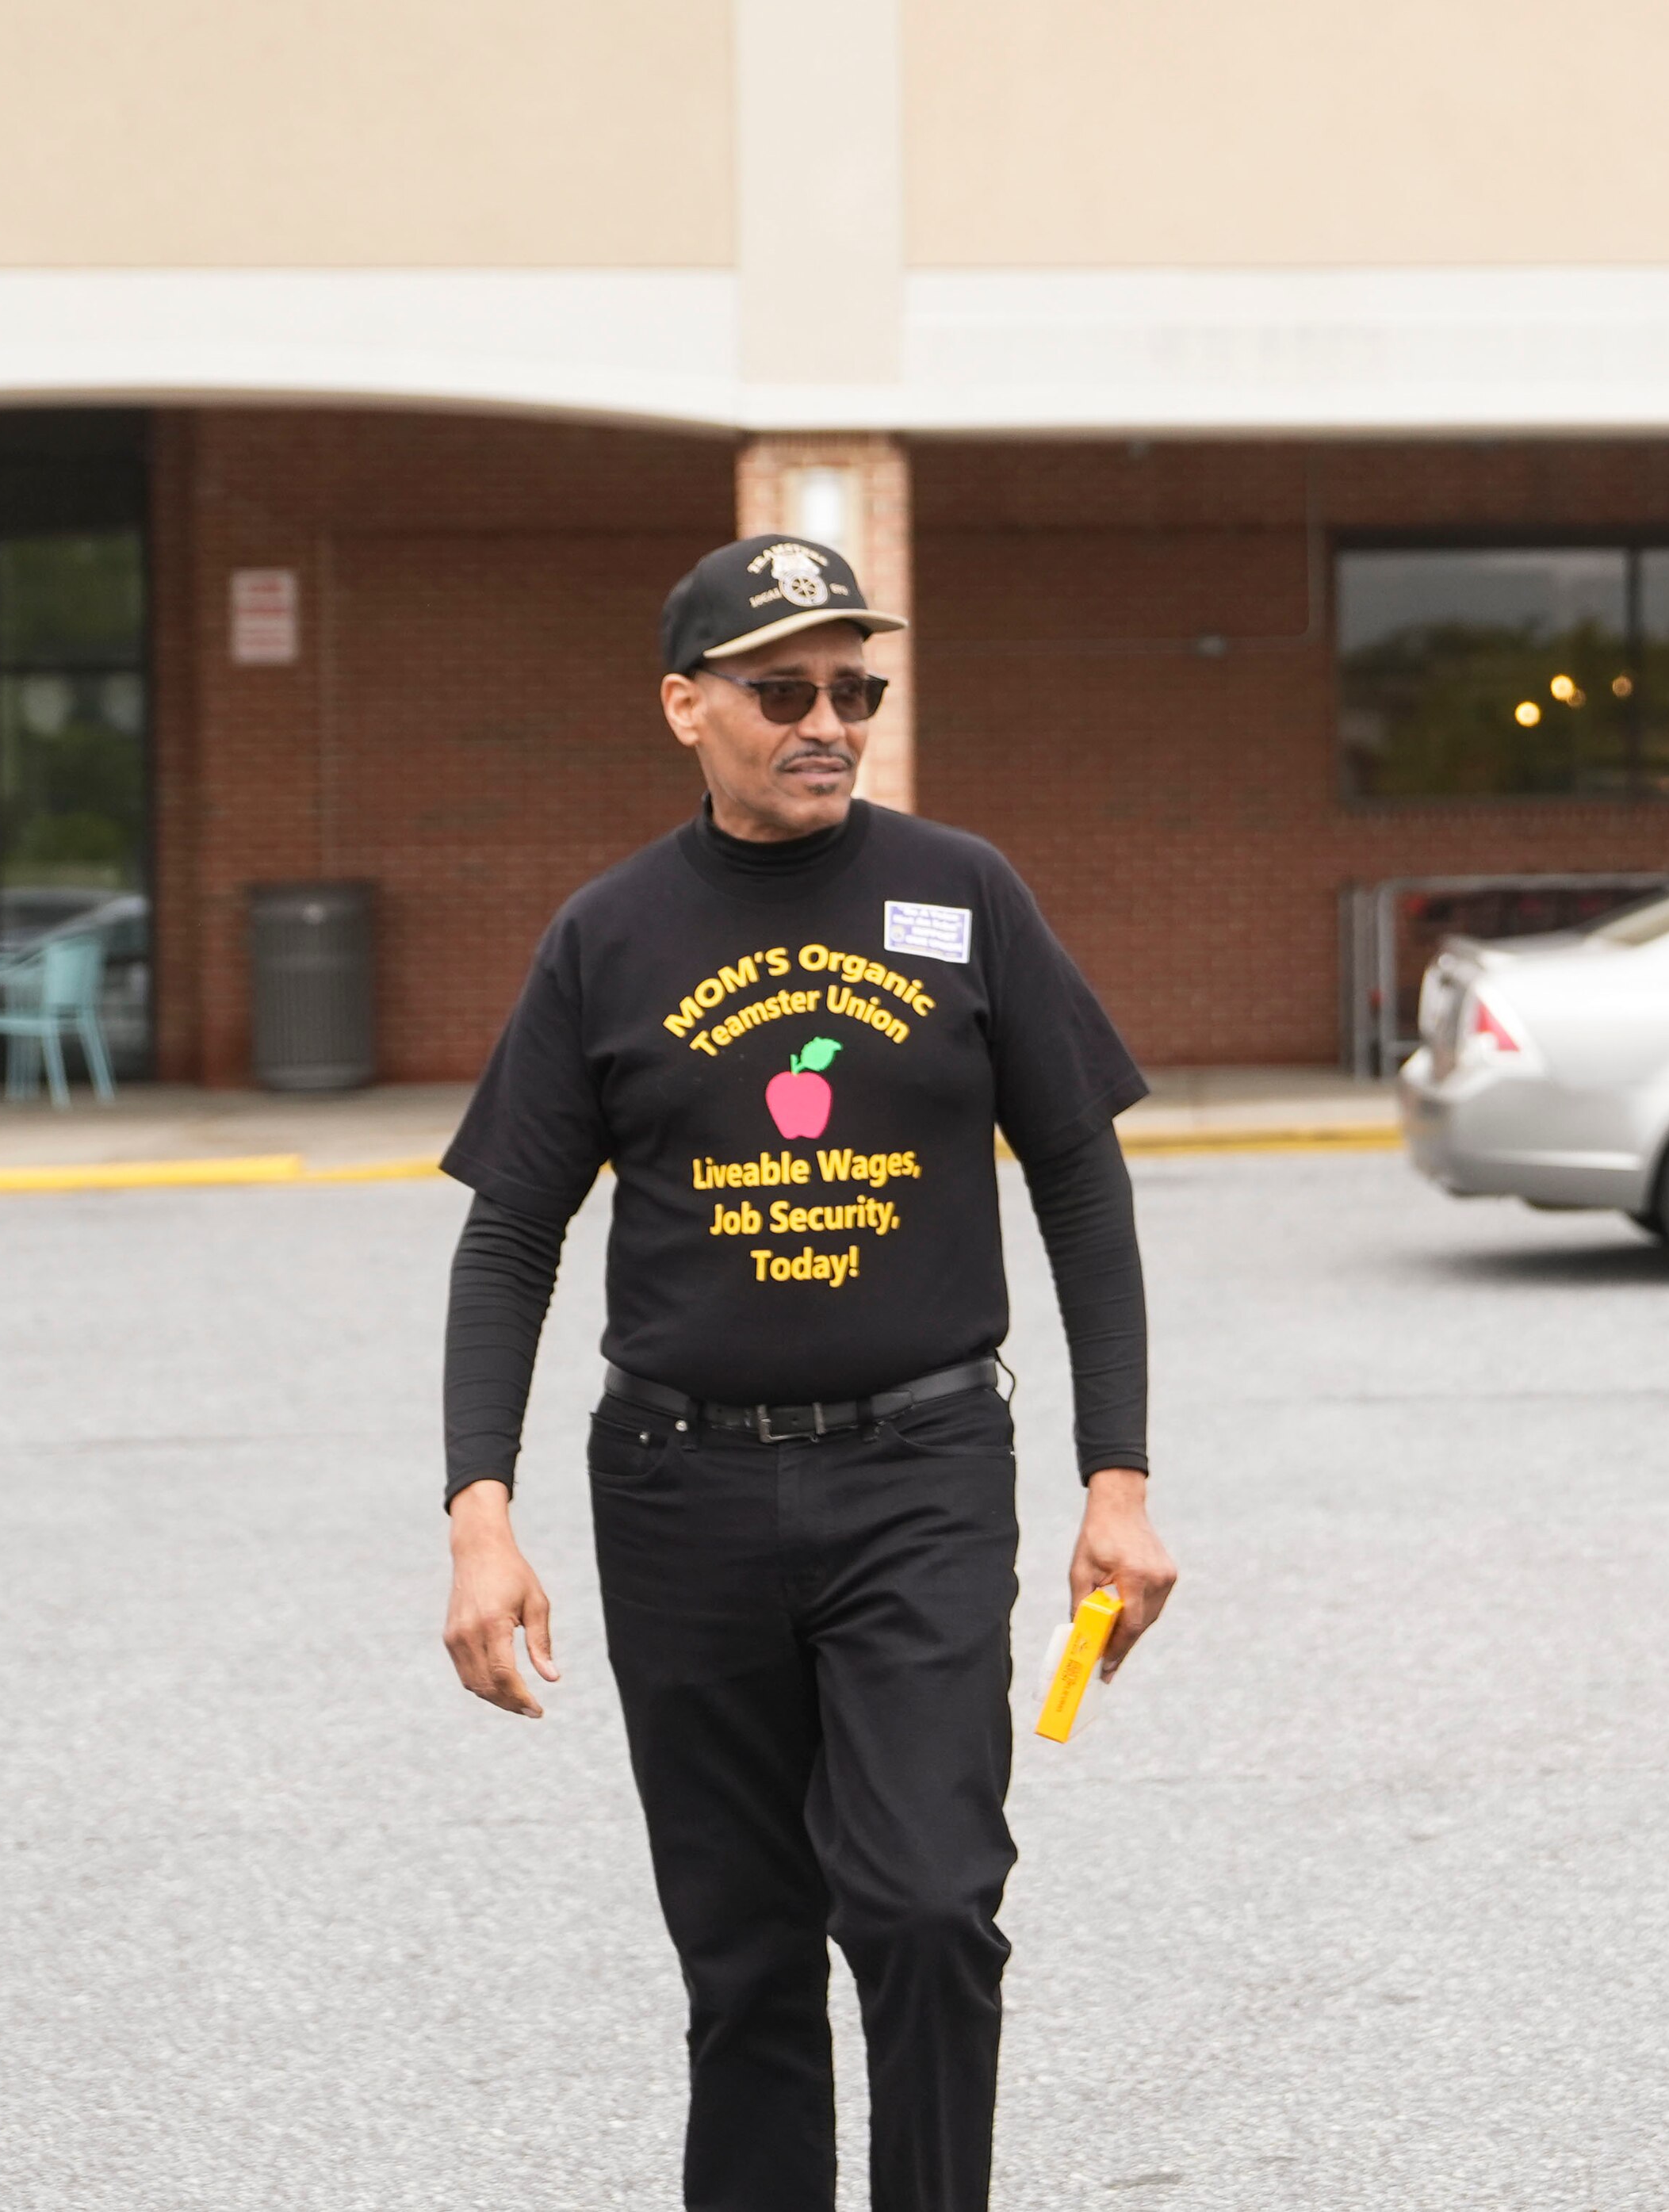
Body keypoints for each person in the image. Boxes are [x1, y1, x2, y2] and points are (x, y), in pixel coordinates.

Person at [434, 533, 1179, 2211]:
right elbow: (509, 1241)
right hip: (679, 1491)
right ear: (686, 706)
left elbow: (1078, 1174)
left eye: (857, 688)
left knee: (926, 1907)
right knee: (748, 1961)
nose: (828, 720)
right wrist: (482, 1515)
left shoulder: (961, 893)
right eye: (786, 690)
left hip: (915, 1471)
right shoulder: (607, 935)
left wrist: (1113, 1480)